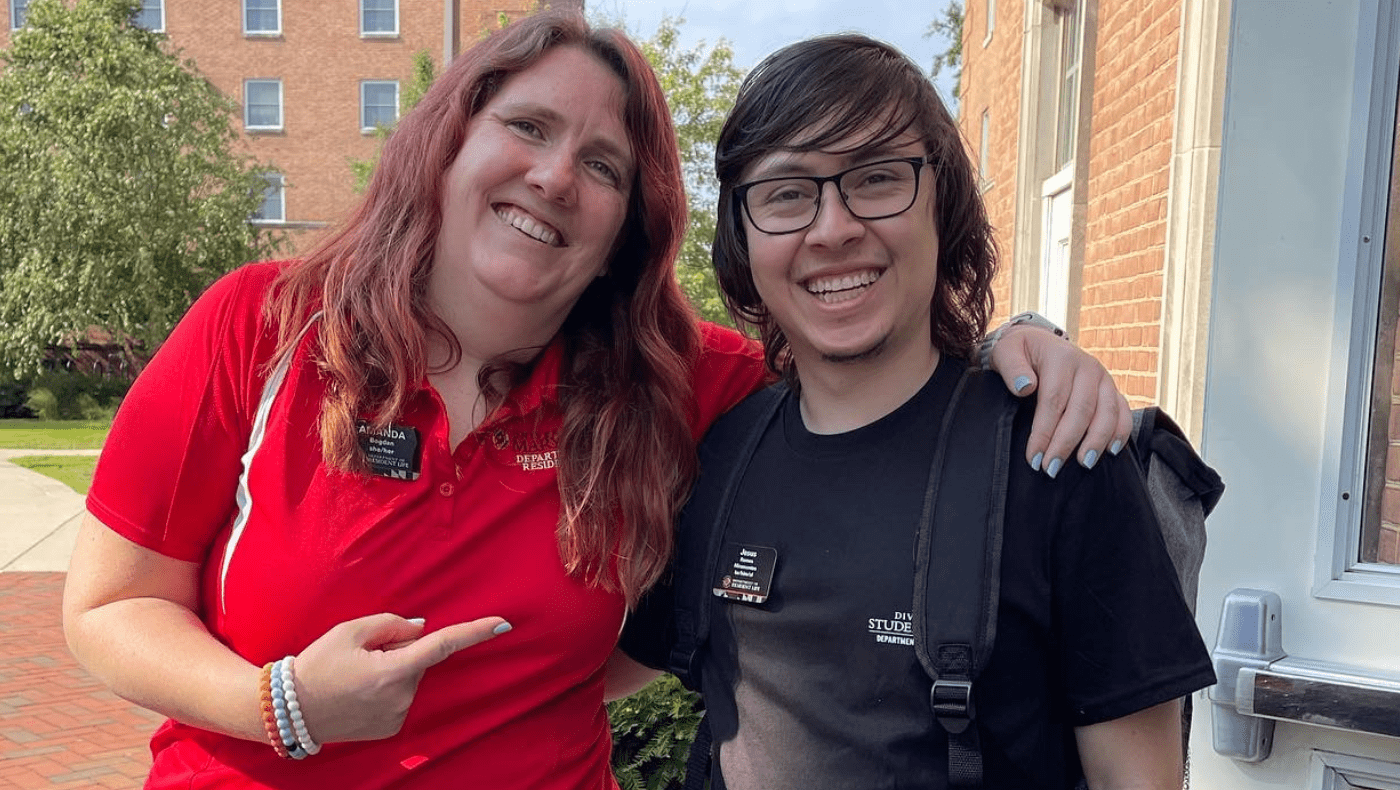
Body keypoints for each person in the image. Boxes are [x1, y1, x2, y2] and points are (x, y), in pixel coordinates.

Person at [63, 10, 1131, 790]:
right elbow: (108, 608)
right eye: (526, 127)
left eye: (604, 164)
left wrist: (1016, 343)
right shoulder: (264, 328)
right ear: (449, 141)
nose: (555, 177)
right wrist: (279, 704)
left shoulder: (667, 376)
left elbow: (859, 348)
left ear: (629, 222)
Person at [614, 34, 1217, 790]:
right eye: (787, 192)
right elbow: (572, 667)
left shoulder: (1054, 458)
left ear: (944, 203)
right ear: (743, 235)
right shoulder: (716, 457)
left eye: (875, 178)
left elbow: (1141, 779)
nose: (832, 228)